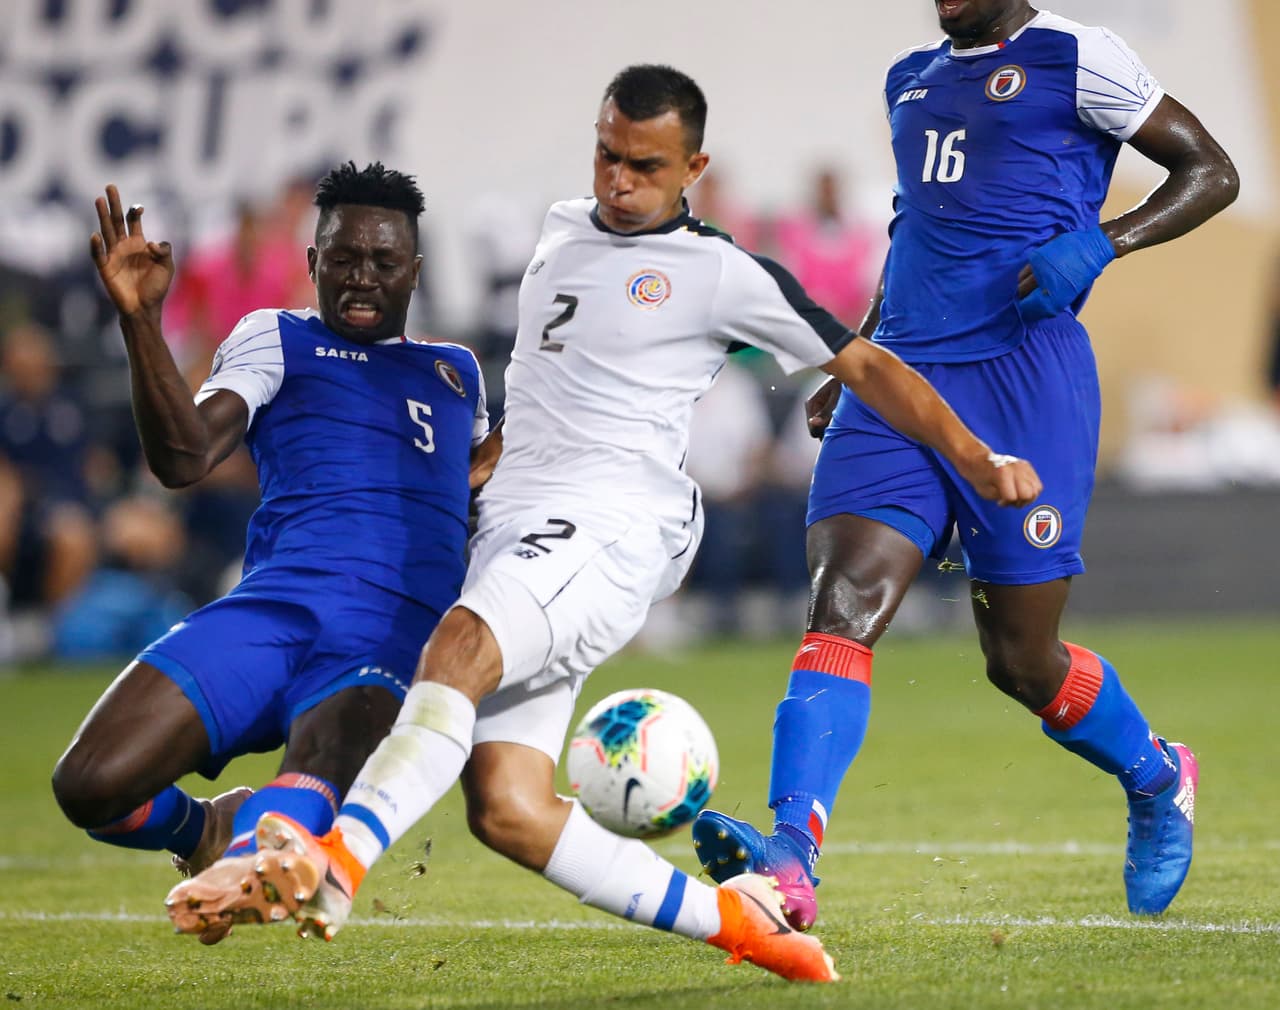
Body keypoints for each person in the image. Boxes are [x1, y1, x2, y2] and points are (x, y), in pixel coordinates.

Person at [173, 64, 1039, 983]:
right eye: (606, 155)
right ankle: (742, 927)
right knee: (506, 805)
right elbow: (550, 393)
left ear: (692, 165)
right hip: (517, 529)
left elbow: (871, 367)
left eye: (645, 166)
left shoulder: (721, 274)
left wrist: (977, 457)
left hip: (612, 525)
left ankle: (334, 864)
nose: (619, 181)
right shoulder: (558, 231)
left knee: (459, 646)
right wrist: (486, 457)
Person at [691, 0, 1239, 930]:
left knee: (1021, 659)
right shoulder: (912, 78)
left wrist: (1104, 240)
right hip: (901, 377)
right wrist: (853, 352)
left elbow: (1213, 172)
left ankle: (1156, 775)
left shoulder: (1081, 56)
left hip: (1026, 385)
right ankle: (790, 858)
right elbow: (915, 231)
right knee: (844, 601)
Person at [52, 164, 495, 945]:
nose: (362, 278)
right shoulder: (276, 337)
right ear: (315, 260)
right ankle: (203, 834)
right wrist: (141, 323)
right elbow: (183, 459)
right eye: (344, 258)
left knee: (328, 753)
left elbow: (465, 493)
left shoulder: (456, 373)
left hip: (388, 639)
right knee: (89, 787)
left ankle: (250, 866)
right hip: (275, 612)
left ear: (416, 272)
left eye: (385, 263)